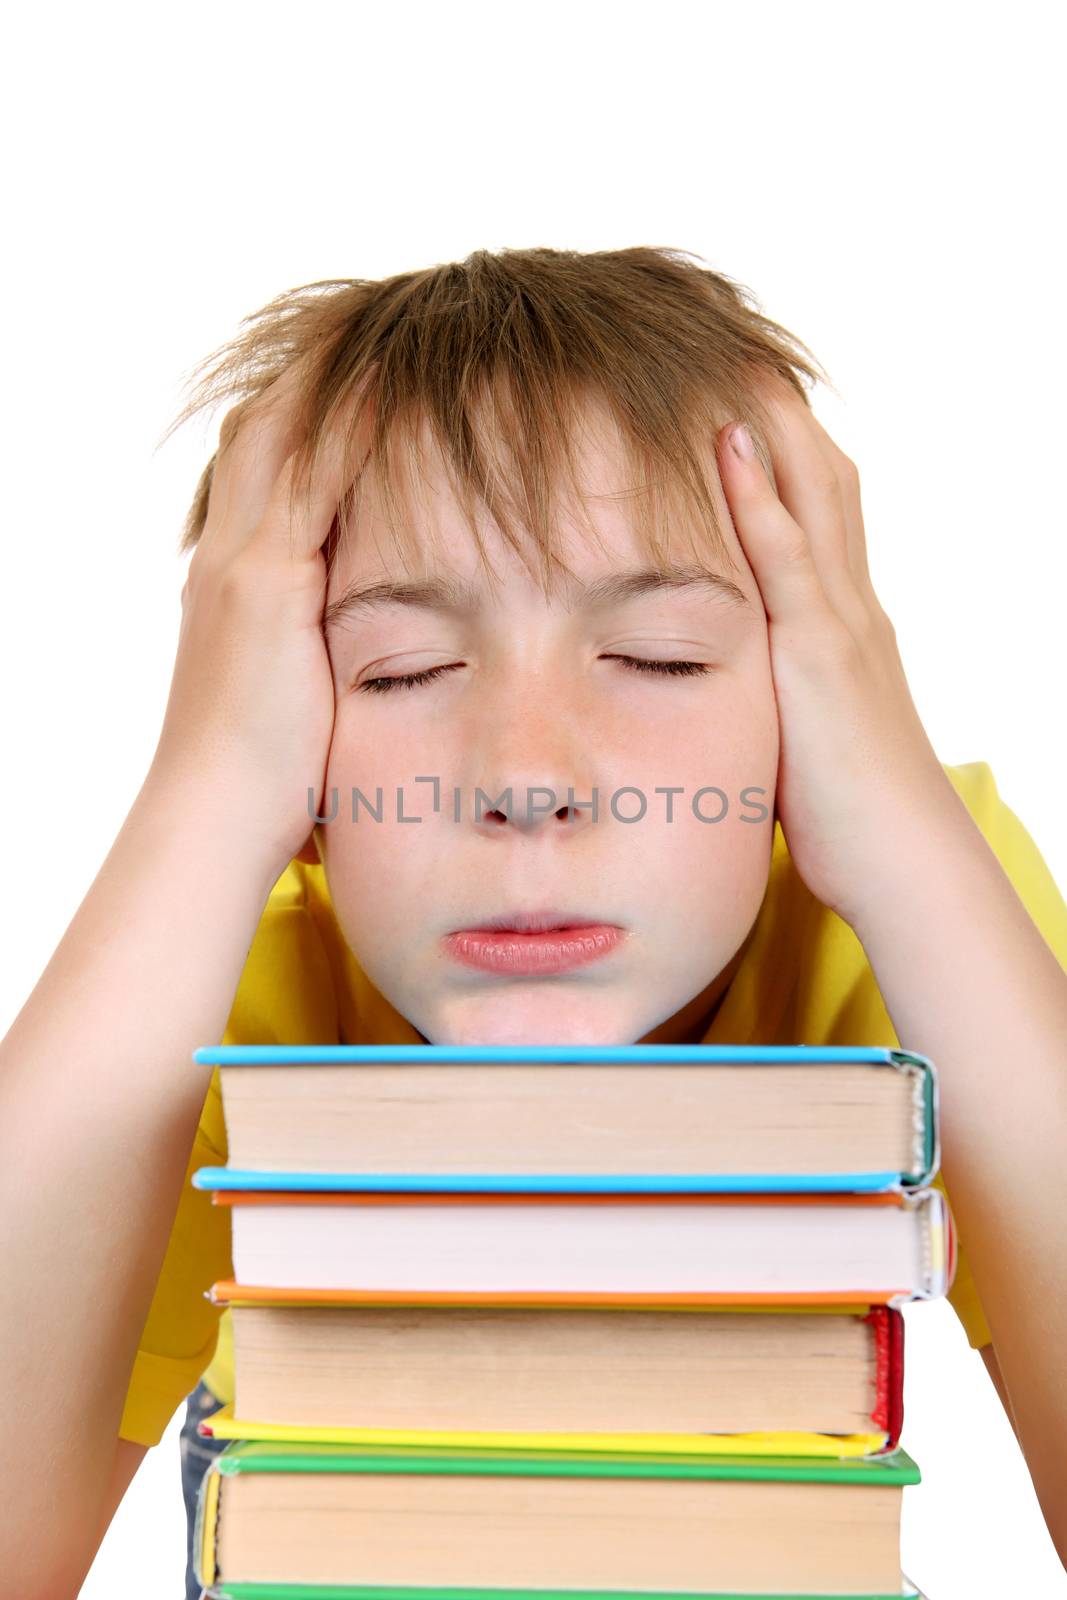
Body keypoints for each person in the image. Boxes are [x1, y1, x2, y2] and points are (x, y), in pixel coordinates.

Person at [2, 246, 1065, 1597]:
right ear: (296, 761)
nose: (522, 779)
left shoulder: (903, 892)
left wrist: (906, 833)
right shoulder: (233, 945)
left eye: (660, 657)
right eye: (402, 670)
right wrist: (200, 804)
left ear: (811, 705)